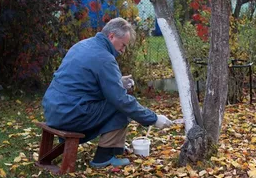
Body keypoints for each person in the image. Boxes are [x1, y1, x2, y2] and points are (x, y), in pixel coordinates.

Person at [42, 17, 173, 168]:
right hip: (71, 115)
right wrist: (154, 119)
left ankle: (115, 149)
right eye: (123, 45)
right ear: (111, 36)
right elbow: (120, 100)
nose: (123, 51)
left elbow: (83, 82)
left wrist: (118, 82)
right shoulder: (105, 58)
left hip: (53, 110)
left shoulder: (83, 45)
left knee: (117, 100)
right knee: (121, 106)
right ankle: (103, 158)